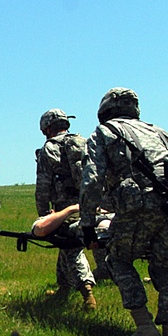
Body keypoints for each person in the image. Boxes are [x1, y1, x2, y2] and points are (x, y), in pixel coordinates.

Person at [79, 88, 168, 336]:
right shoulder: (160, 133)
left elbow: (92, 179)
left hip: (138, 207)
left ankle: (144, 327)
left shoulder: (104, 133)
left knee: (117, 260)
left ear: (104, 111)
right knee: (165, 271)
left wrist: (87, 224)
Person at [35, 109, 96, 309]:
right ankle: (64, 286)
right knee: (65, 244)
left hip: (66, 208)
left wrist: (44, 214)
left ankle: (87, 291)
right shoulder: (84, 142)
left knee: (71, 245)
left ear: (47, 129)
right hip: (90, 204)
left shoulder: (49, 149)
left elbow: (43, 185)